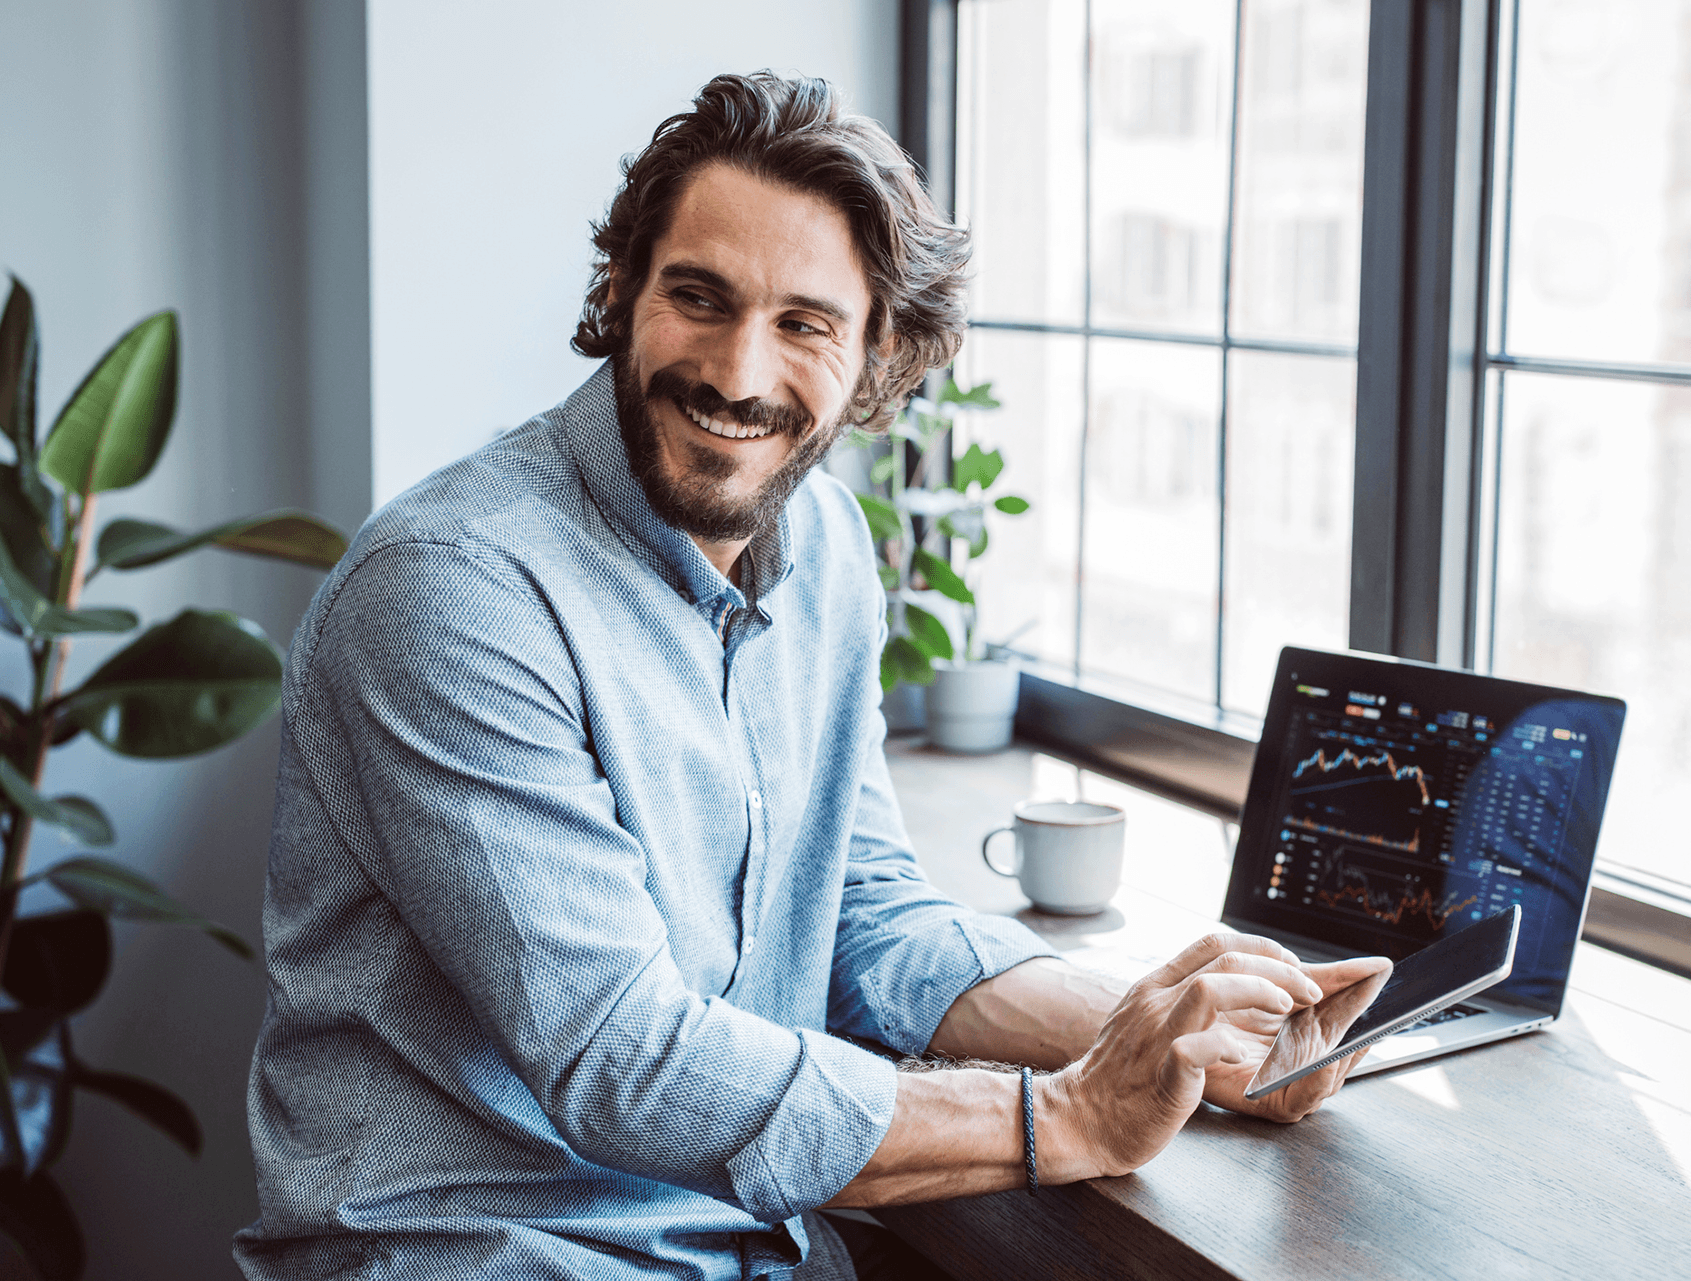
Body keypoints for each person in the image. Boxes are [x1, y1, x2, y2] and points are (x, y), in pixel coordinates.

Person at [234, 71, 1389, 1281]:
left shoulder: (829, 553)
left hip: (753, 1246)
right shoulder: (451, 592)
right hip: (485, 1254)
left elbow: (858, 919)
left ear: (878, 351)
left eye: (805, 324)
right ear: (623, 290)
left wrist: (1170, 1035)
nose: (738, 373)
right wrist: (1079, 1116)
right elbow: (625, 1062)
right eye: (698, 297)